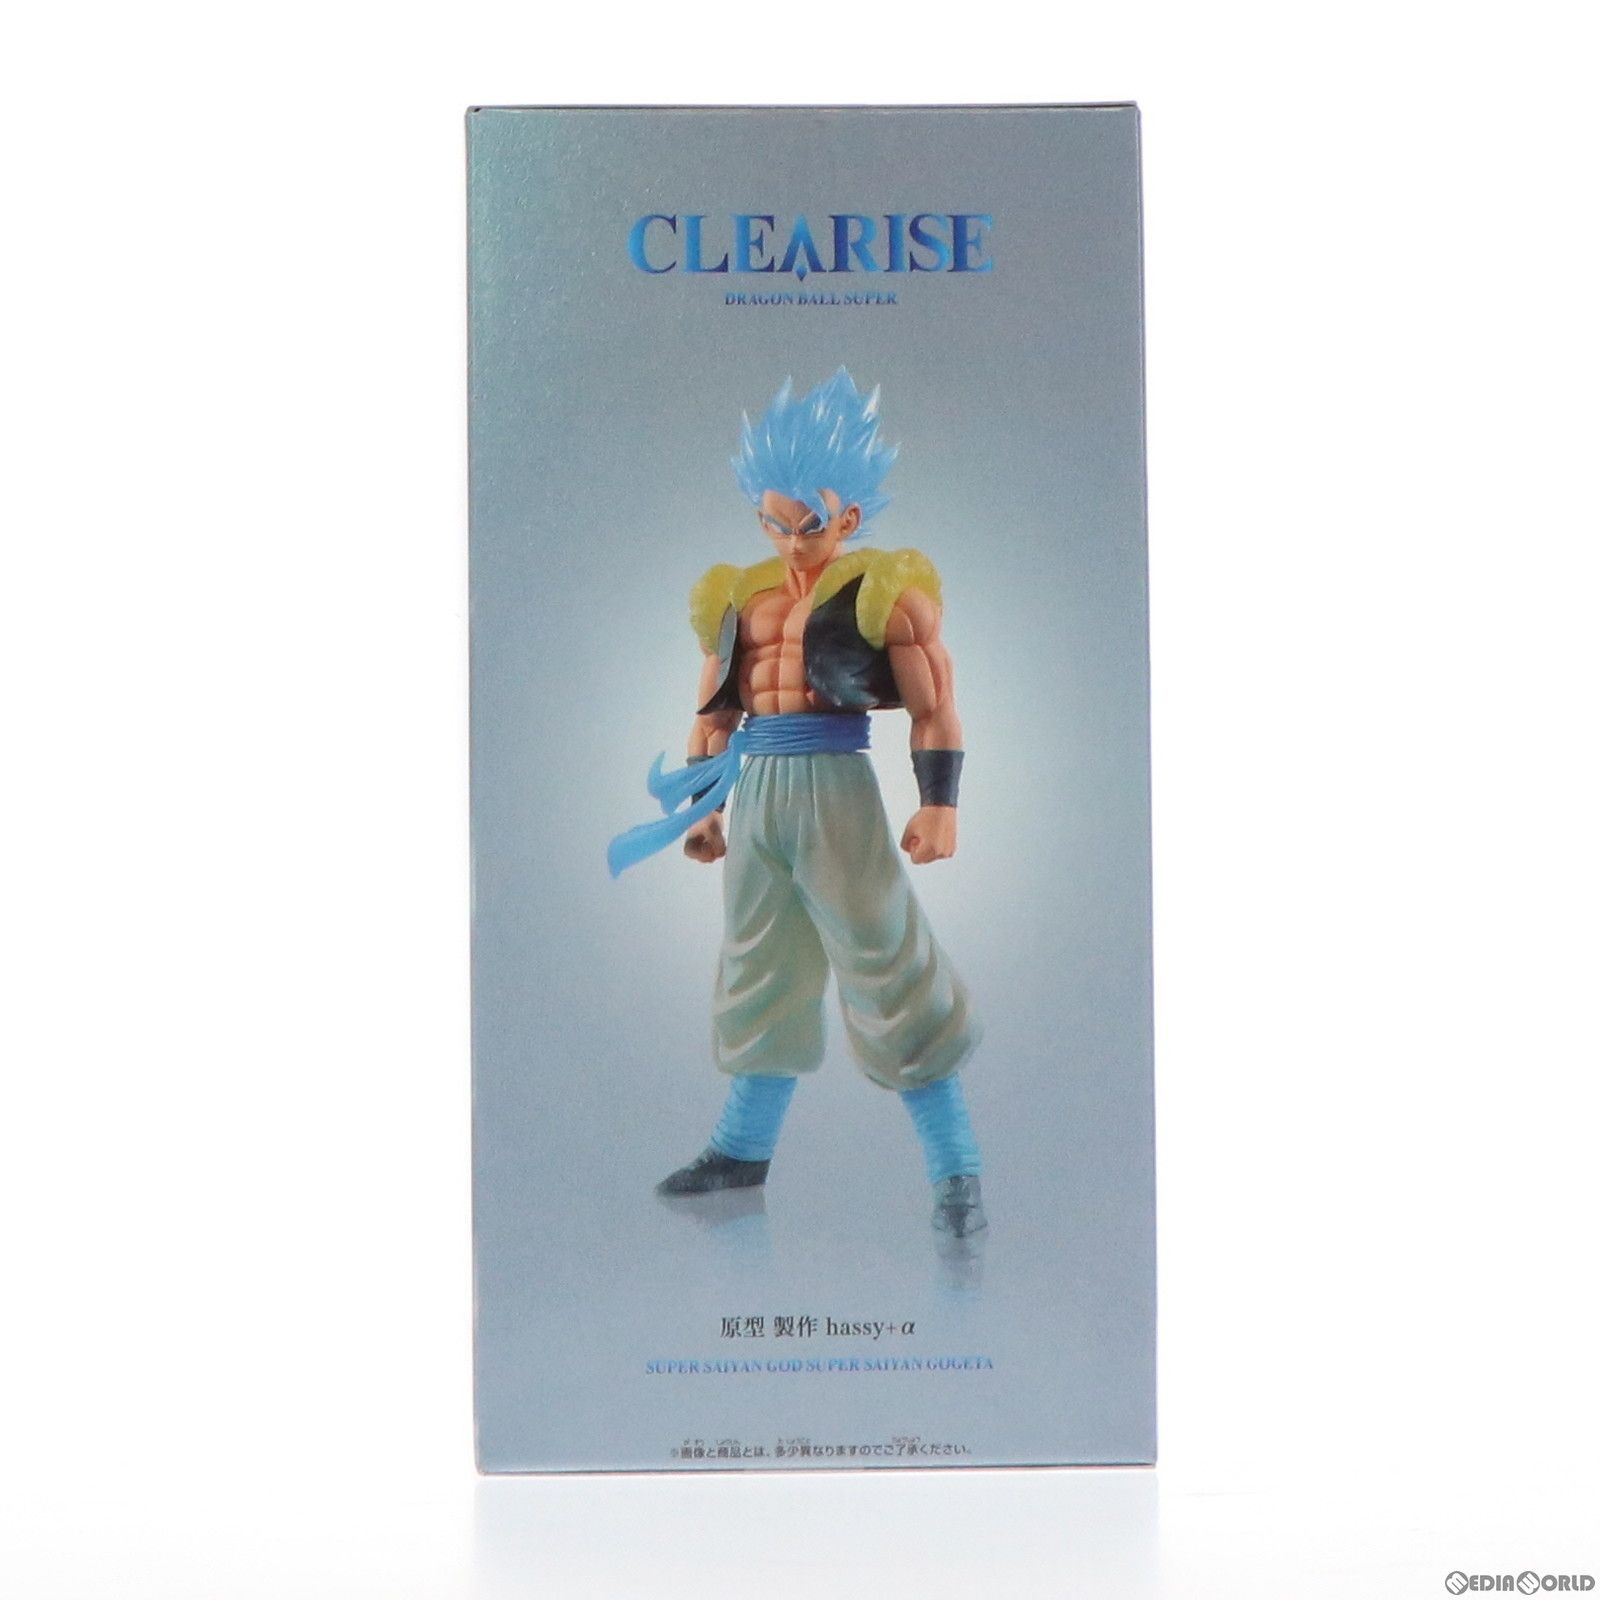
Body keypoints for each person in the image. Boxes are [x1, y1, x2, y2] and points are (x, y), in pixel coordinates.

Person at [608, 369, 985, 1236]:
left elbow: (934, 707)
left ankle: (956, 1167)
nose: (788, 541)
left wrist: (940, 803)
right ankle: (742, 1149)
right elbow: (714, 714)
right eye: (772, 521)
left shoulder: (886, 593)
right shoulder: (739, 598)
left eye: (807, 524)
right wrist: (704, 806)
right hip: (758, 795)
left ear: (847, 518)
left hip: (836, 789)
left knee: (887, 963)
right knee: (759, 966)